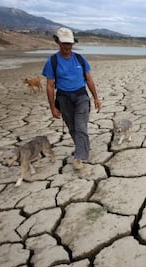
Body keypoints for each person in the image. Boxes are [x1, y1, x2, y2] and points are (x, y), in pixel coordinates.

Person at [42, 27, 102, 170]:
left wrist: (96, 98)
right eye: (64, 43)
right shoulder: (52, 61)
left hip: (81, 96)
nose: (67, 46)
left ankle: (79, 157)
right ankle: (82, 148)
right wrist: (53, 107)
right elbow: (50, 86)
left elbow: (89, 79)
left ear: (73, 44)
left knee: (81, 126)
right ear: (57, 42)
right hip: (64, 98)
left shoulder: (80, 59)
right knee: (72, 128)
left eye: (70, 43)